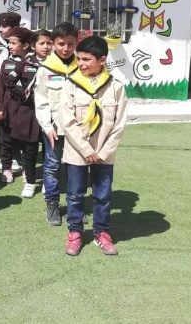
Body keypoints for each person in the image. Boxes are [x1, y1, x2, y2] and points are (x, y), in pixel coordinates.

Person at [59, 36, 127, 256]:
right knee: (75, 194)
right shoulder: (70, 84)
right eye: (79, 59)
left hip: (104, 153)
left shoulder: (116, 87)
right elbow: (67, 121)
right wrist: (86, 150)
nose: (81, 64)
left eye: (86, 59)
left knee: (103, 195)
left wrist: (103, 152)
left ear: (102, 60)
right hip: (77, 151)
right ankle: (75, 232)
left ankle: (101, 232)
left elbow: (119, 124)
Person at [33, 22, 79, 226]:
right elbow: (41, 101)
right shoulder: (46, 69)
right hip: (54, 129)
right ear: (53, 43)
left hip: (77, 129)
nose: (66, 48)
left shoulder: (82, 67)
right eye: (61, 44)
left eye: (70, 44)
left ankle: (74, 205)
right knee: (52, 166)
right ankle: (52, 204)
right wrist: (47, 127)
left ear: (77, 43)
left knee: (75, 168)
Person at [0, 27, 39, 192]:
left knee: (28, 143)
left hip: (28, 109)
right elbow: (1, 87)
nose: (10, 46)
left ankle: (28, 171)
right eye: (9, 43)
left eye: (13, 43)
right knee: (7, 139)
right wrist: (0, 107)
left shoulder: (36, 63)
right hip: (9, 107)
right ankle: (6, 168)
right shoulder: (7, 62)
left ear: (26, 45)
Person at [0, 12, 23, 172]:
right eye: (0, 26)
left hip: (14, 92)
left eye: (5, 26)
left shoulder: (21, 46)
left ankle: (15, 156)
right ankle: (0, 156)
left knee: (13, 125)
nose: (1, 29)